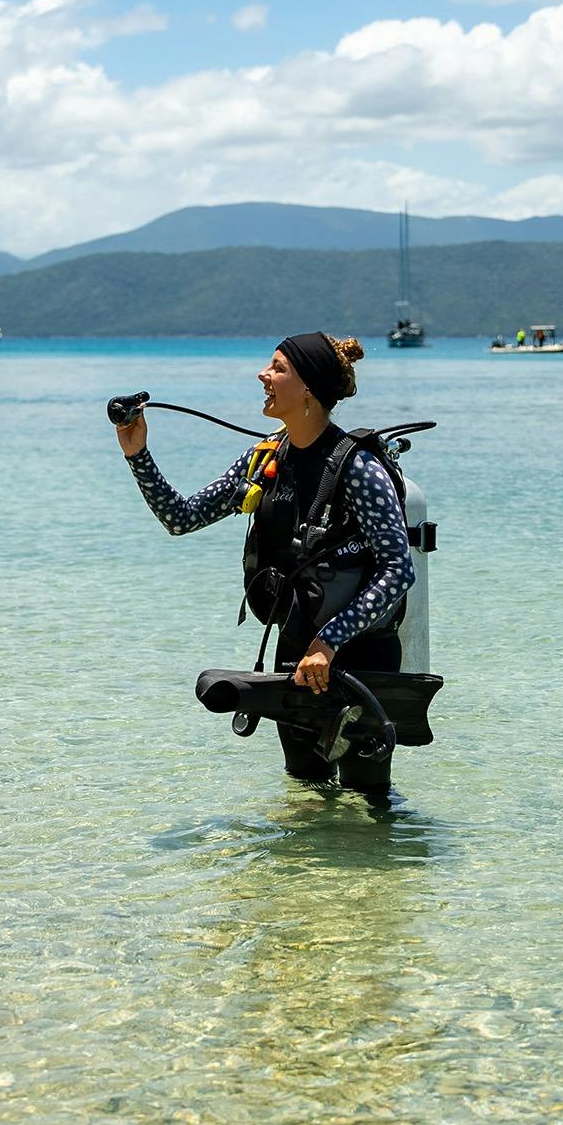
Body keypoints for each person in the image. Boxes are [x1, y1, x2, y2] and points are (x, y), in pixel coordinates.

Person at [117, 333, 416, 794]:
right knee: (305, 793)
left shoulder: (360, 468)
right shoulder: (265, 458)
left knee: (369, 801)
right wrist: (138, 454)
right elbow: (181, 518)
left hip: (361, 657)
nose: (263, 375)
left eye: (277, 368)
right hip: (296, 652)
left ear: (309, 389)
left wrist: (329, 642)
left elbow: (398, 568)